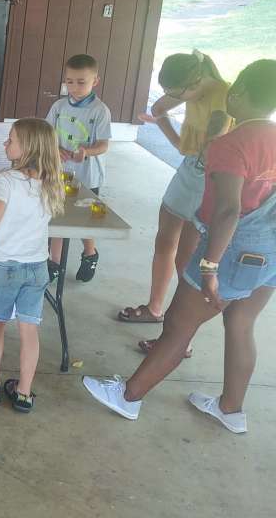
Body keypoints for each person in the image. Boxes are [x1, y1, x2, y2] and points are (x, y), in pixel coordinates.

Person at [83, 60, 276, 434]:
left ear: (239, 94)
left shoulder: (231, 143)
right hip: (271, 248)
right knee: (241, 322)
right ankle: (230, 409)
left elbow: (228, 210)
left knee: (177, 326)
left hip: (234, 248)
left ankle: (128, 397)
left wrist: (209, 267)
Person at [119, 52, 230, 359]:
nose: (171, 98)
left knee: (187, 262)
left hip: (211, 178)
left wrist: (201, 145)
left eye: (177, 94)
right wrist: (174, 133)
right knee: (164, 240)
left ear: (195, 81)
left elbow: (218, 143)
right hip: (189, 168)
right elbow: (159, 109)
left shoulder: (226, 96)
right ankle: (155, 308)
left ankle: (179, 337)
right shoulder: (190, 87)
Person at [0, 118, 65, 413]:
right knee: (30, 330)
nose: (6, 144)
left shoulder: (5, 180)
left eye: (11, 140)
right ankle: (24, 392)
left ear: (26, 148)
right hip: (36, 266)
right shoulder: (52, 182)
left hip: (5, 265)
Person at [46, 54, 112, 282]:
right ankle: (54, 263)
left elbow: (103, 144)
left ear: (96, 81)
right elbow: (47, 136)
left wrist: (87, 152)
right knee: (57, 217)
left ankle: (90, 253)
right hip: (59, 173)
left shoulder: (100, 110)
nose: (74, 87)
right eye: (69, 81)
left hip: (88, 176)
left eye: (81, 82)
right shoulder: (58, 106)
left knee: (83, 220)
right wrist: (55, 149)